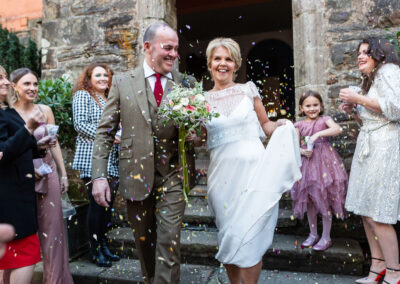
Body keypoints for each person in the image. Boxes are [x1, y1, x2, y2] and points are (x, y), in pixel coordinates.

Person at [91, 23, 196, 284]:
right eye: (168, 48)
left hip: (174, 174)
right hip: (135, 176)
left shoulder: (187, 83)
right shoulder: (123, 83)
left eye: (176, 49)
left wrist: (197, 133)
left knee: (168, 241)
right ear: (147, 47)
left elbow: (200, 128)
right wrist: (99, 177)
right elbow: (105, 131)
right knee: (144, 243)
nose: (174, 54)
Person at [204, 37, 301, 284]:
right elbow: (198, 139)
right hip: (221, 180)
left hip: (255, 177)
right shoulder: (199, 100)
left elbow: (265, 125)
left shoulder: (249, 90)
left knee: (251, 237)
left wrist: (282, 124)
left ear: (236, 64)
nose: (223, 63)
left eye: (228, 59)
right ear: (209, 63)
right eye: (218, 58)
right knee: (230, 236)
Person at [340, 38, 400, 284]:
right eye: (358, 53)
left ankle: (395, 272)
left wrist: (359, 99)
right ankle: (377, 267)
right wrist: (354, 112)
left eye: (366, 52)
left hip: (386, 148)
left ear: (380, 55)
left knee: (379, 213)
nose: (360, 56)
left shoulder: (390, 71)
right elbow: (371, 120)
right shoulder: (370, 80)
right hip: (369, 146)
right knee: (366, 212)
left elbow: (396, 109)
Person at [10, 68, 73, 284]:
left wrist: (63, 173)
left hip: (48, 173)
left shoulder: (44, 110)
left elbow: (55, 145)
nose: (32, 88)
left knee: (53, 231)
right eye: (26, 84)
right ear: (14, 87)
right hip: (20, 176)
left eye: (35, 84)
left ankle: (55, 280)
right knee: (23, 232)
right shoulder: (9, 114)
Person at [0, 65, 51, 284]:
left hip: (20, 196)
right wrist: (29, 127)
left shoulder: (7, 112)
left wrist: (39, 146)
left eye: (4, 77)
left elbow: (18, 149)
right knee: (24, 258)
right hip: (8, 201)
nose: (4, 82)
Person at [72, 63, 120, 267]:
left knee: (107, 207)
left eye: (106, 75)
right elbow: (80, 125)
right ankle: (94, 249)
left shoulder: (110, 99)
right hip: (91, 157)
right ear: (89, 78)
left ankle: (103, 244)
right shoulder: (83, 95)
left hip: (112, 159)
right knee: (97, 205)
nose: (102, 78)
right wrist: (110, 136)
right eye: (98, 75)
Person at [290, 90, 347, 251]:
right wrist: (301, 151)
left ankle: (326, 236)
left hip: (325, 164)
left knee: (324, 199)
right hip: (306, 164)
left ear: (321, 106)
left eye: (315, 105)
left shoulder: (325, 120)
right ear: (301, 108)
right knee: (309, 201)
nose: (312, 108)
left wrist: (318, 134)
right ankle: (313, 233)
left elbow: (337, 129)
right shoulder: (298, 125)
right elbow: (292, 144)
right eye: (308, 106)